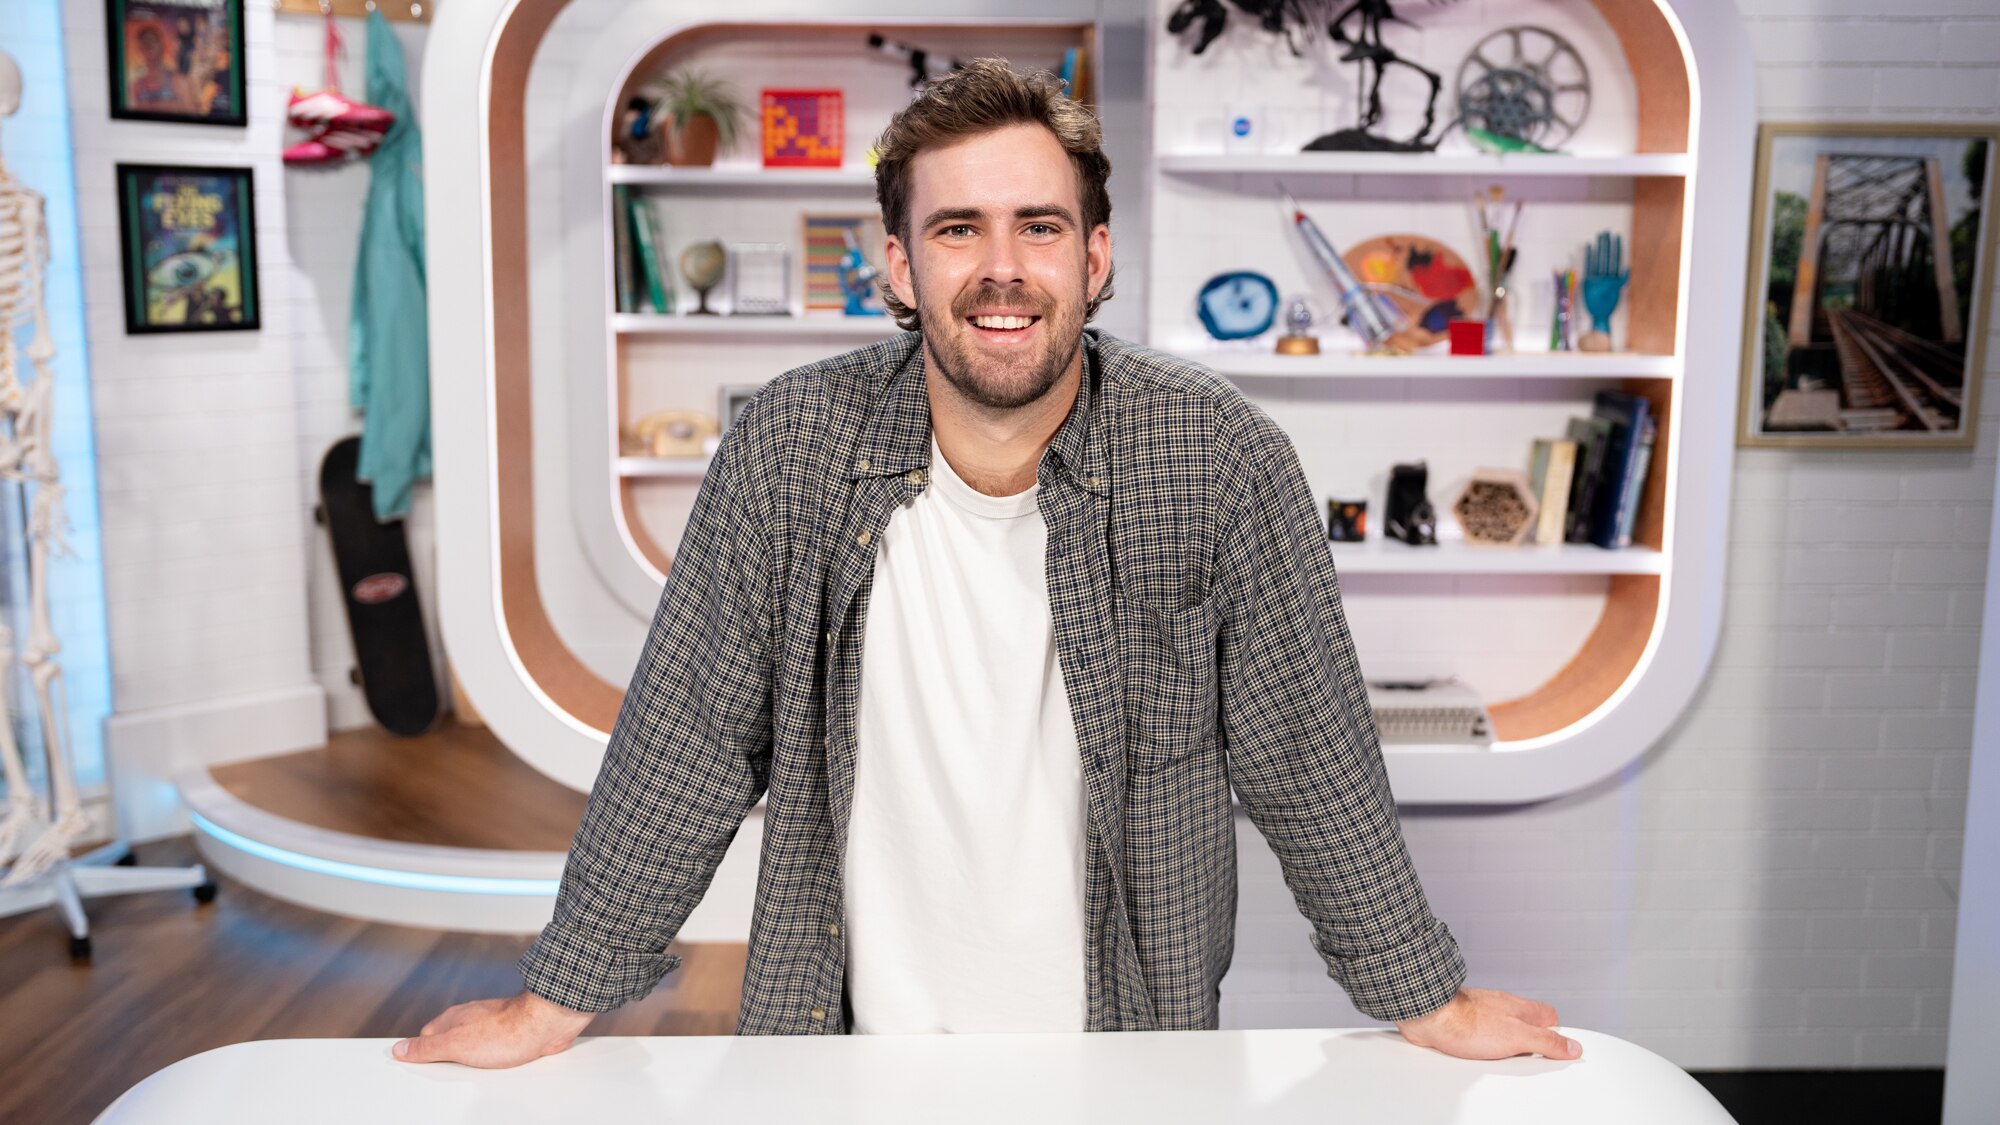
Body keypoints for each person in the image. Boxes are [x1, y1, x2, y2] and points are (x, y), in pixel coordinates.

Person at [397, 59, 1581, 1069]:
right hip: (841, 1052)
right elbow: (689, 741)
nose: (1001, 268)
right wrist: (552, 1003)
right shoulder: (790, 448)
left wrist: (1424, 998)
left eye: (1039, 227)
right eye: (958, 229)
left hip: (1125, 1051)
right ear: (901, 268)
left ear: (1096, 256)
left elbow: (1307, 754)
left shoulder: (1218, 457)